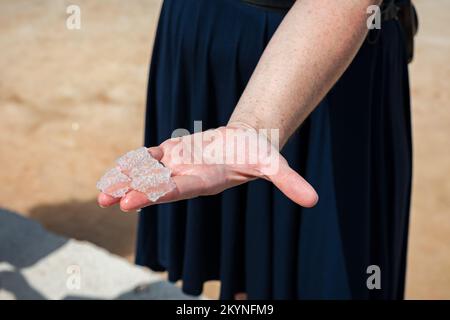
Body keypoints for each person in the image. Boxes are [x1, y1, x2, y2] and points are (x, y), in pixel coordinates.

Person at [98, 0, 412, 299]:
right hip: (204, 33)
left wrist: (252, 128)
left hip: (324, 51)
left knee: (333, 266)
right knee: (240, 264)